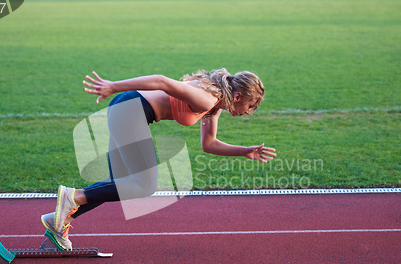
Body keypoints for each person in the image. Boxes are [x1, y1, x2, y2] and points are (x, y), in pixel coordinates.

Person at [41, 68, 277, 249]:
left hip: (126, 109)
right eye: (250, 105)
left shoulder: (214, 103)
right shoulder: (207, 99)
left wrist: (244, 150)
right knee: (145, 184)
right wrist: (114, 86)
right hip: (130, 109)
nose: (248, 112)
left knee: (119, 186)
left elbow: (209, 144)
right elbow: (161, 81)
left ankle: (57, 221)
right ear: (237, 96)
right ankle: (73, 197)